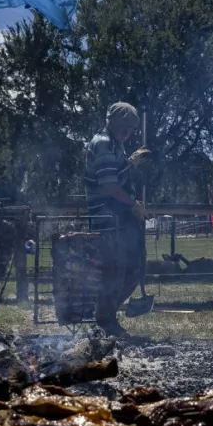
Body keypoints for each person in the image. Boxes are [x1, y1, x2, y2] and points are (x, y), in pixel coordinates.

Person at [83, 102, 151, 336]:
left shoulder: (115, 144)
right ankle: (105, 320)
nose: (127, 132)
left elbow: (118, 176)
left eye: (130, 128)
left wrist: (129, 163)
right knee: (116, 268)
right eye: (123, 126)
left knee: (135, 265)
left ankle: (107, 316)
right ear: (111, 122)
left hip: (118, 216)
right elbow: (109, 187)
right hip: (106, 216)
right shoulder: (103, 144)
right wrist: (134, 204)